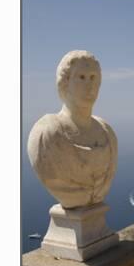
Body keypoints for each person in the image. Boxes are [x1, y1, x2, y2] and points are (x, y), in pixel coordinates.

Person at [27, 50, 118, 208]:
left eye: (93, 77)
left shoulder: (107, 133)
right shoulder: (47, 134)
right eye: (81, 77)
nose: (89, 85)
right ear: (65, 82)